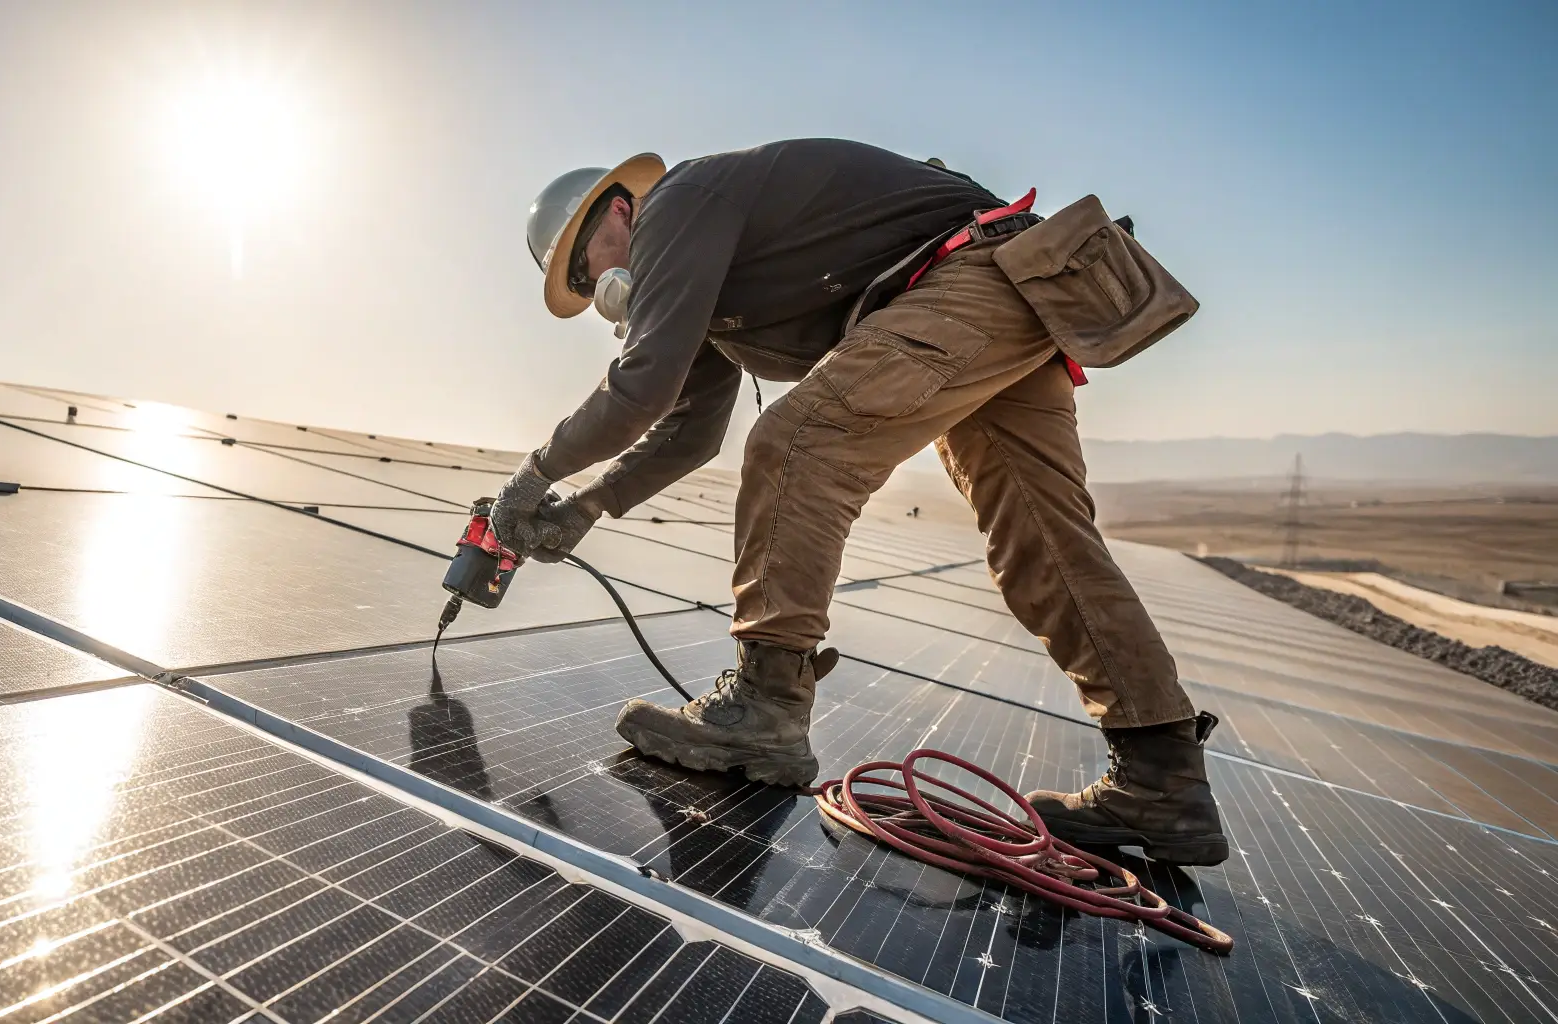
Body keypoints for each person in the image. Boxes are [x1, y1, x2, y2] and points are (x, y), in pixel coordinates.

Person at [493, 139, 1227, 865]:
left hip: (970, 279)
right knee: (1040, 541)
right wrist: (587, 505)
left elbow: (641, 386)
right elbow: (689, 430)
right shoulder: (708, 273)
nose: (597, 295)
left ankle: (766, 704)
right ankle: (1161, 777)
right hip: (1005, 288)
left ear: (618, 210)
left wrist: (533, 476)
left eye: (586, 273)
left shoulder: (680, 205)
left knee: (798, 443)